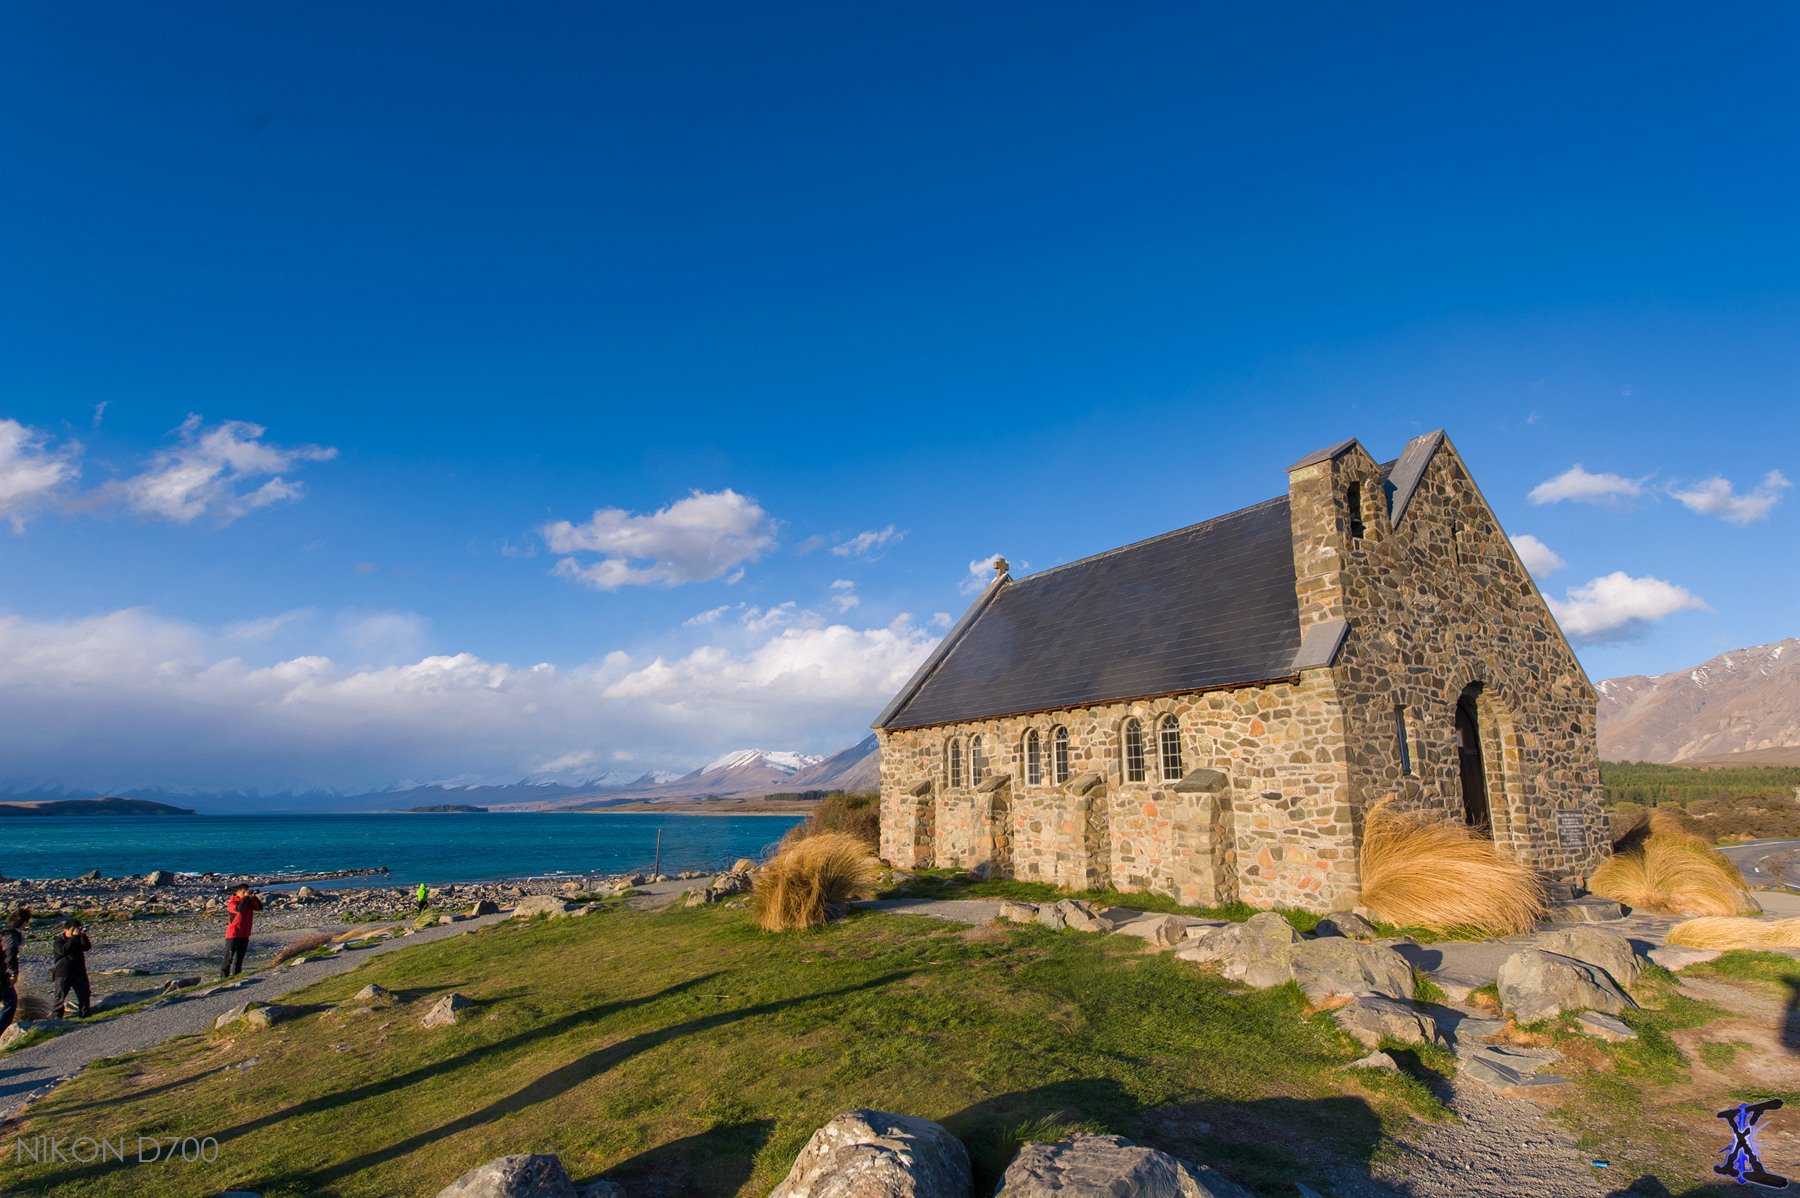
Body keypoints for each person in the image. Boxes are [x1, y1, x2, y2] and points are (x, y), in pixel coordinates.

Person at [51, 919, 91, 1019]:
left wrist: (83, 936)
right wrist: (74, 938)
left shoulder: (78, 939)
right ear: (66, 929)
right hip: (63, 973)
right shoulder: (59, 941)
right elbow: (63, 951)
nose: (75, 932)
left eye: (77, 929)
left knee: (84, 995)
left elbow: (87, 947)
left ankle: (85, 1016)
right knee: (59, 998)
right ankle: (57, 1019)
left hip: (79, 972)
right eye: (73, 930)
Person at [222, 883, 262, 978]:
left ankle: (237, 976)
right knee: (229, 958)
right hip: (234, 934)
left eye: (246, 892)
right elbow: (238, 909)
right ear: (237, 893)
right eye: (243, 892)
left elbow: (259, 907)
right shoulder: (233, 903)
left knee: (240, 958)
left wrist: (254, 897)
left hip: (244, 934)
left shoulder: (248, 902)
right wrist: (246, 897)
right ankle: (223, 977)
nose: (245, 894)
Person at [0, 908, 27, 1036]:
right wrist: (14, 973)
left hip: (3, 974)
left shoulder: (8, 933)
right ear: (24, 922)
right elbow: (10, 954)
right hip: (2, 974)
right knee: (10, 1000)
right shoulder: (11, 935)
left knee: (11, 1000)